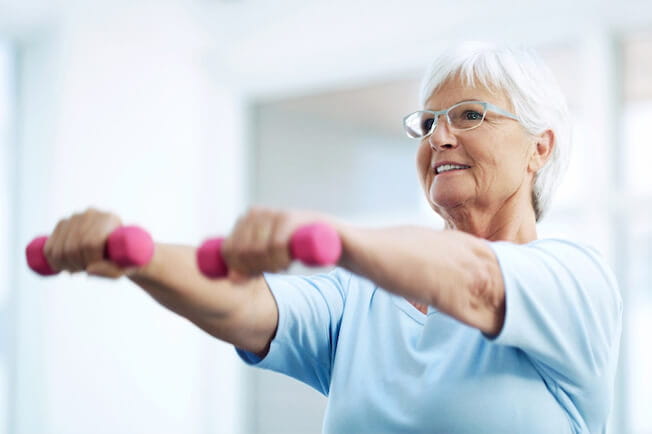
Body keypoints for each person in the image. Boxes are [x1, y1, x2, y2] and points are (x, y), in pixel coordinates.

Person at [41, 42, 622, 433]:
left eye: (470, 115)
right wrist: (129, 253)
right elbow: (245, 303)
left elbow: (475, 279)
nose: (439, 136)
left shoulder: (574, 283)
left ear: (539, 148)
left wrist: (328, 236)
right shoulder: (361, 300)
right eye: (427, 123)